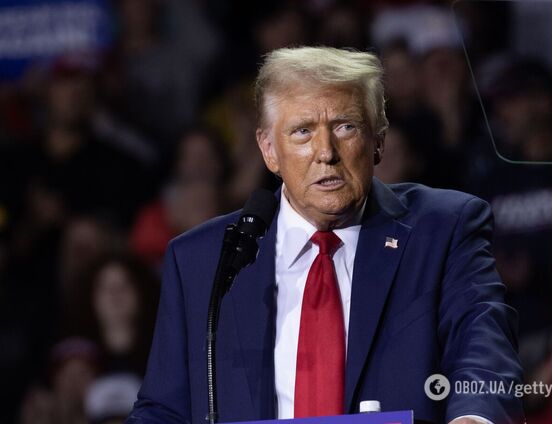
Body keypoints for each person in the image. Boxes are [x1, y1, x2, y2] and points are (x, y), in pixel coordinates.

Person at [126, 47, 523, 424]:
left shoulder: (442, 229)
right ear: (269, 150)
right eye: (302, 131)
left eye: (345, 127)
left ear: (378, 140)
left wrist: (475, 415)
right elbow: (164, 408)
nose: (326, 152)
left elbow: (483, 348)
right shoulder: (203, 259)